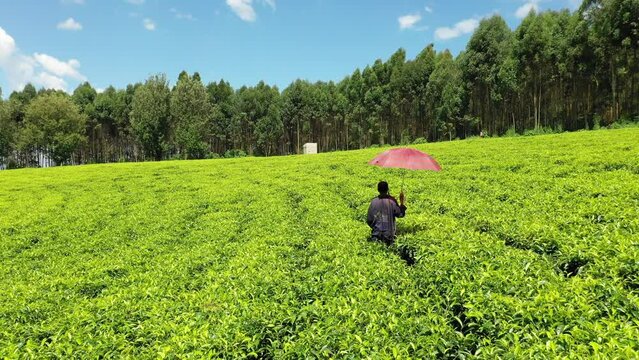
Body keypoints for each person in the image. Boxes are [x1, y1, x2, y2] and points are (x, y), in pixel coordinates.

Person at [367, 181, 407, 245]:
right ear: (387, 189)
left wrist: (376, 228)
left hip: (376, 235)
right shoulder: (392, 201)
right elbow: (400, 215)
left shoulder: (373, 202)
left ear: (378, 189)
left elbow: (369, 220)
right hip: (389, 236)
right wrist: (402, 206)